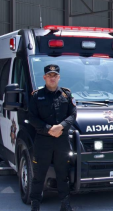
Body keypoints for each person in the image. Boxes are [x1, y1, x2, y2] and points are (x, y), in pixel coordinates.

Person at [29, 64, 76, 211]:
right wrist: (49, 129)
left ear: (59, 77)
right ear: (44, 77)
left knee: (63, 173)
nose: (52, 78)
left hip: (61, 140)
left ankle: (65, 203)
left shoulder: (66, 95)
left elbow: (73, 115)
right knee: (39, 174)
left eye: (55, 75)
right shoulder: (37, 96)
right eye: (49, 75)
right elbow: (31, 117)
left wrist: (61, 127)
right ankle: (35, 203)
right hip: (43, 140)